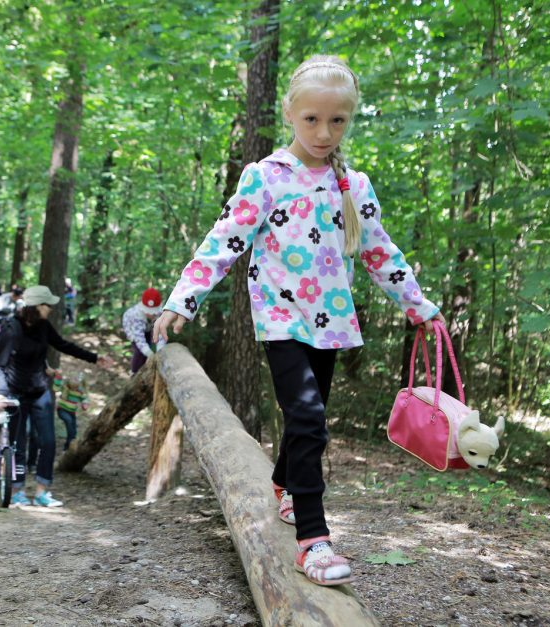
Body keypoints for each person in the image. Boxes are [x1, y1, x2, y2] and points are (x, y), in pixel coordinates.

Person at [153, 55, 446, 587]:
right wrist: (182, 299)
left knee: (305, 420)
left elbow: (380, 253)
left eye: (337, 121)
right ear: (290, 112)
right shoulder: (266, 177)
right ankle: (313, 540)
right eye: (311, 119)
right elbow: (224, 242)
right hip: (281, 318)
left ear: (349, 120)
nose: (323, 131)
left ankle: (286, 485)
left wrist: (418, 305)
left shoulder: (353, 185)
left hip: (332, 322)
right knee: (309, 419)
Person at [0, 285, 114, 507]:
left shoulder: (44, 326)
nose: (51, 309)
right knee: (18, 444)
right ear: (37, 306)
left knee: (47, 441)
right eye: (48, 305)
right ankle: (17, 490)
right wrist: (2, 394)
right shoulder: (11, 329)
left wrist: (95, 358)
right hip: (16, 393)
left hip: (40, 392)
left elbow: (64, 345)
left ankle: (41, 492)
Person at [122, 288, 163, 374]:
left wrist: (160, 349)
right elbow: (139, 339)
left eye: (154, 312)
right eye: (149, 312)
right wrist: (149, 353)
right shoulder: (136, 316)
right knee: (139, 350)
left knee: (149, 344)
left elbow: (160, 332)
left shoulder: (159, 313)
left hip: (147, 327)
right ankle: (134, 371)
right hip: (132, 328)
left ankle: (145, 367)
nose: (152, 314)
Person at [53, 370, 88, 451]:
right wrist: (58, 378)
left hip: (72, 412)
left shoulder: (80, 391)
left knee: (73, 430)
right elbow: (56, 388)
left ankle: (69, 445)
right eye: (74, 387)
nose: (75, 389)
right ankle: (67, 447)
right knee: (69, 422)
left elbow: (84, 398)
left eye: (76, 387)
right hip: (62, 410)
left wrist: (84, 404)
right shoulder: (65, 387)